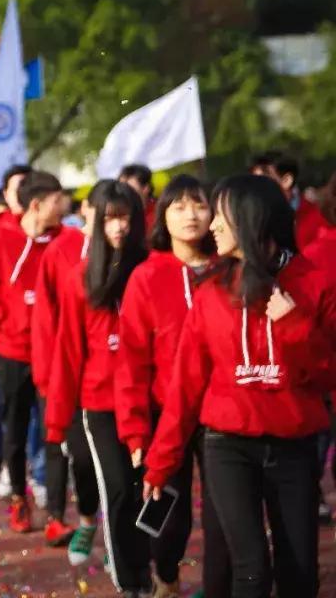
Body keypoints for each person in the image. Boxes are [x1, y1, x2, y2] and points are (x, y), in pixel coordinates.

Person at [144, 174, 335, 598]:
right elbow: (185, 386)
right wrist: (161, 459)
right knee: (248, 570)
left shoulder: (313, 283)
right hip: (228, 447)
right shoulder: (211, 291)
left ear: (252, 218)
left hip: (294, 445)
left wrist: (295, 326)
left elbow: (327, 376)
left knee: (299, 570)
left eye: (221, 214)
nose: (211, 224)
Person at [114, 173, 230, 598]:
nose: (191, 215)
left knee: (225, 513)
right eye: (178, 206)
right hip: (167, 414)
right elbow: (131, 364)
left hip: (224, 411)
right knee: (169, 512)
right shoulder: (147, 277)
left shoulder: (229, 268)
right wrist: (135, 431)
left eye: (199, 205)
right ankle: (167, 577)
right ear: (162, 215)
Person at [47, 180, 151, 595]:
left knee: (148, 491)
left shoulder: (150, 271)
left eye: (125, 217)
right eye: (110, 218)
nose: (119, 227)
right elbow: (68, 352)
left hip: (149, 401)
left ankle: (154, 569)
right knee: (119, 488)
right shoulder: (80, 279)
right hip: (100, 404)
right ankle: (130, 581)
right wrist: (57, 421)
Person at [0, 170, 67, 533]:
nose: (65, 206)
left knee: (55, 431)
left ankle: (56, 514)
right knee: (16, 429)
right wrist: (3, 320)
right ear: (37, 204)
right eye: (59, 200)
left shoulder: (64, 241)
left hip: (53, 354)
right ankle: (20, 499)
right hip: (12, 349)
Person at [31, 190, 99, 557]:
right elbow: (47, 321)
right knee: (71, 452)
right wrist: (48, 377)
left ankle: (126, 550)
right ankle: (71, 516)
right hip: (66, 376)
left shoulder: (138, 259)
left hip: (120, 386)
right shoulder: (63, 253)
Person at [250, 151, 329, 248]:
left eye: (263, 181)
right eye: (253, 182)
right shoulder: (251, 221)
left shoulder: (318, 224)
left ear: (286, 180)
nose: (256, 189)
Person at [119, 163, 156, 232]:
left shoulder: (159, 214)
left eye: (130, 189)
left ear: (145, 188)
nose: (124, 193)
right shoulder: (118, 216)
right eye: (121, 188)